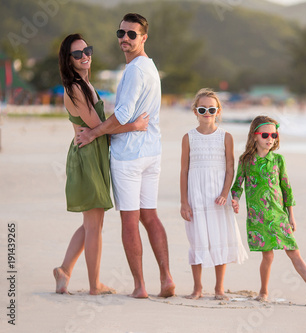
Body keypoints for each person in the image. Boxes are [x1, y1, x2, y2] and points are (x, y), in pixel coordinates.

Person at [75, 13, 175, 298]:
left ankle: (141, 286)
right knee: (150, 217)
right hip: (152, 151)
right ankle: (166, 278)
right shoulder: (150, 67)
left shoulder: (133, 71)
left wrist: (94, 133)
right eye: (121, 33)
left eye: (132, 34)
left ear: (144, 37)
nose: (125, 39)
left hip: (129, 155)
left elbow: (122, 114)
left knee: (130, 221)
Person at [53, 33, 149, 295]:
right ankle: (95, 285)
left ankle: (64, 270)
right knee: (94, 224)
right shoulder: (74, 87)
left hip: (93, 154)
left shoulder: (86, 84)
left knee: (91, 222)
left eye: (87, 51)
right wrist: (136, 126)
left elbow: (98, 126)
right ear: (68, 60)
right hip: (86, 157)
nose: (85, 56)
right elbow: (97, 126)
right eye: (77, 54)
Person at [231, 115, 306, 307]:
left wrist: (291, 216)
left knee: (294, 252)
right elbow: (237, 185)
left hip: (279, 215)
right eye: (265, 135)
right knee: (268, 255)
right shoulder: (245, 161)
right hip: (259, 216)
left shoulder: (278, 160)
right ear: (254, 136)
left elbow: (286, 189)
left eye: (274, 135)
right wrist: (235, 199)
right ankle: (263, 291)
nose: (270, 139)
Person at [180, 88, 247, 300]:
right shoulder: (188, 137)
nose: (207, 112)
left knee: (219, 238)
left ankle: (219, 289)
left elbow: (230, 168)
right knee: (197, 239)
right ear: (195, 112)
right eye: (202, 109)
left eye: (211, 109)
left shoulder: (226, 137)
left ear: (218, 111)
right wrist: (184, 202)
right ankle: (197, 288)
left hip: (218, 197)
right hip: (196, 196)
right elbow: (184, 170)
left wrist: (225, 194)